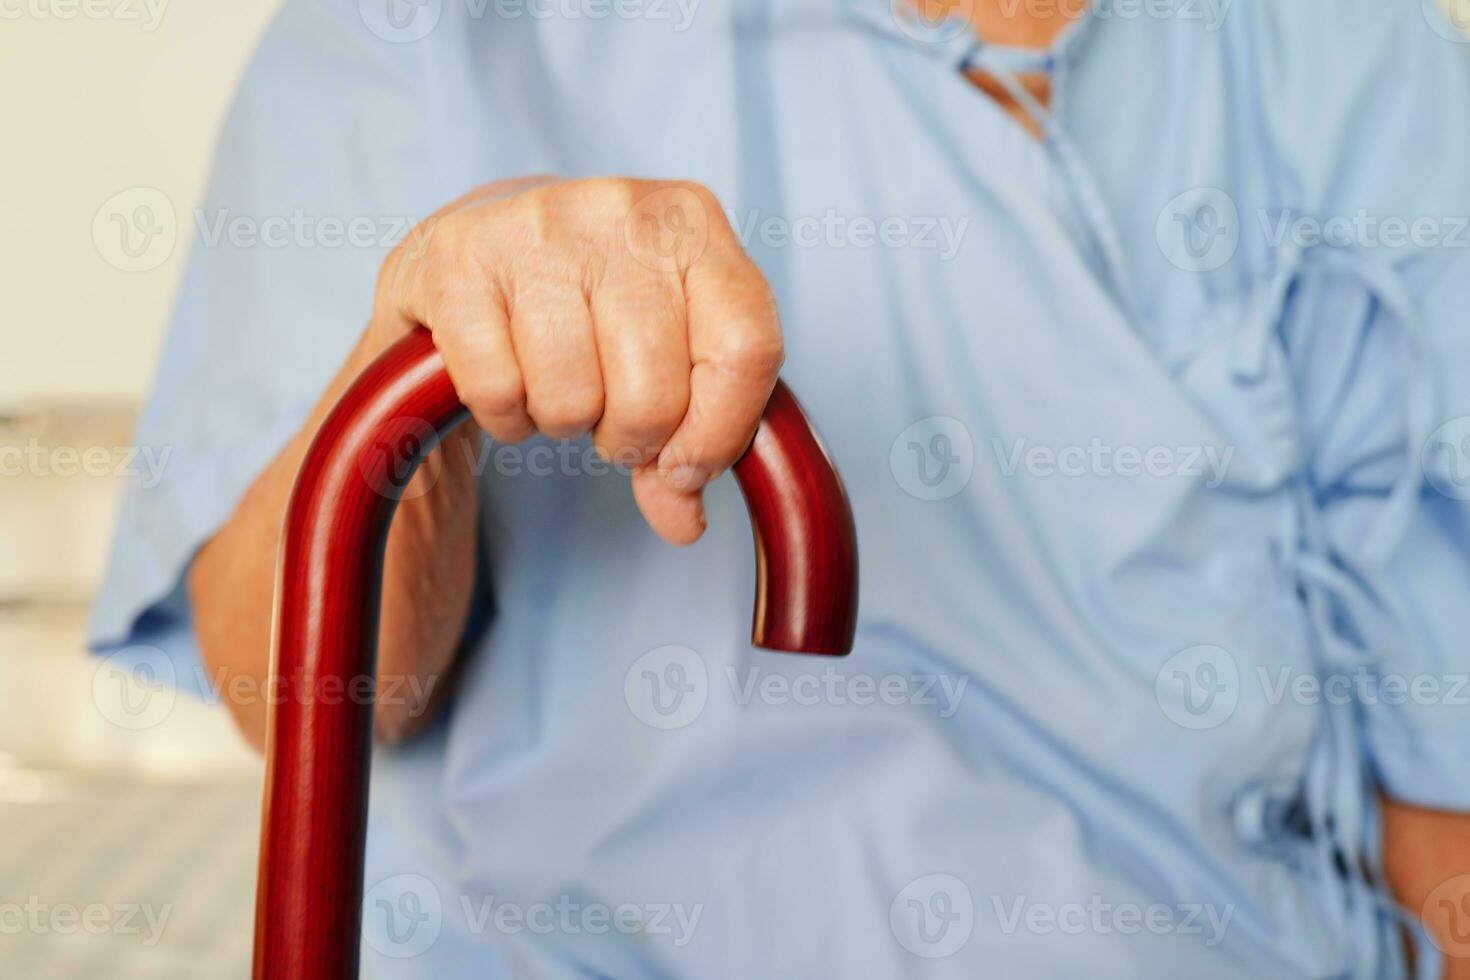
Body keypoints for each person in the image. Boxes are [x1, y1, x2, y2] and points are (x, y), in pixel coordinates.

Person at [91, 0, 1470, 975]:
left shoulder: (1342, 52)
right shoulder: (427, 32)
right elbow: (301, 693)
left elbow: (1435, 764)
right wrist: (422, 367)